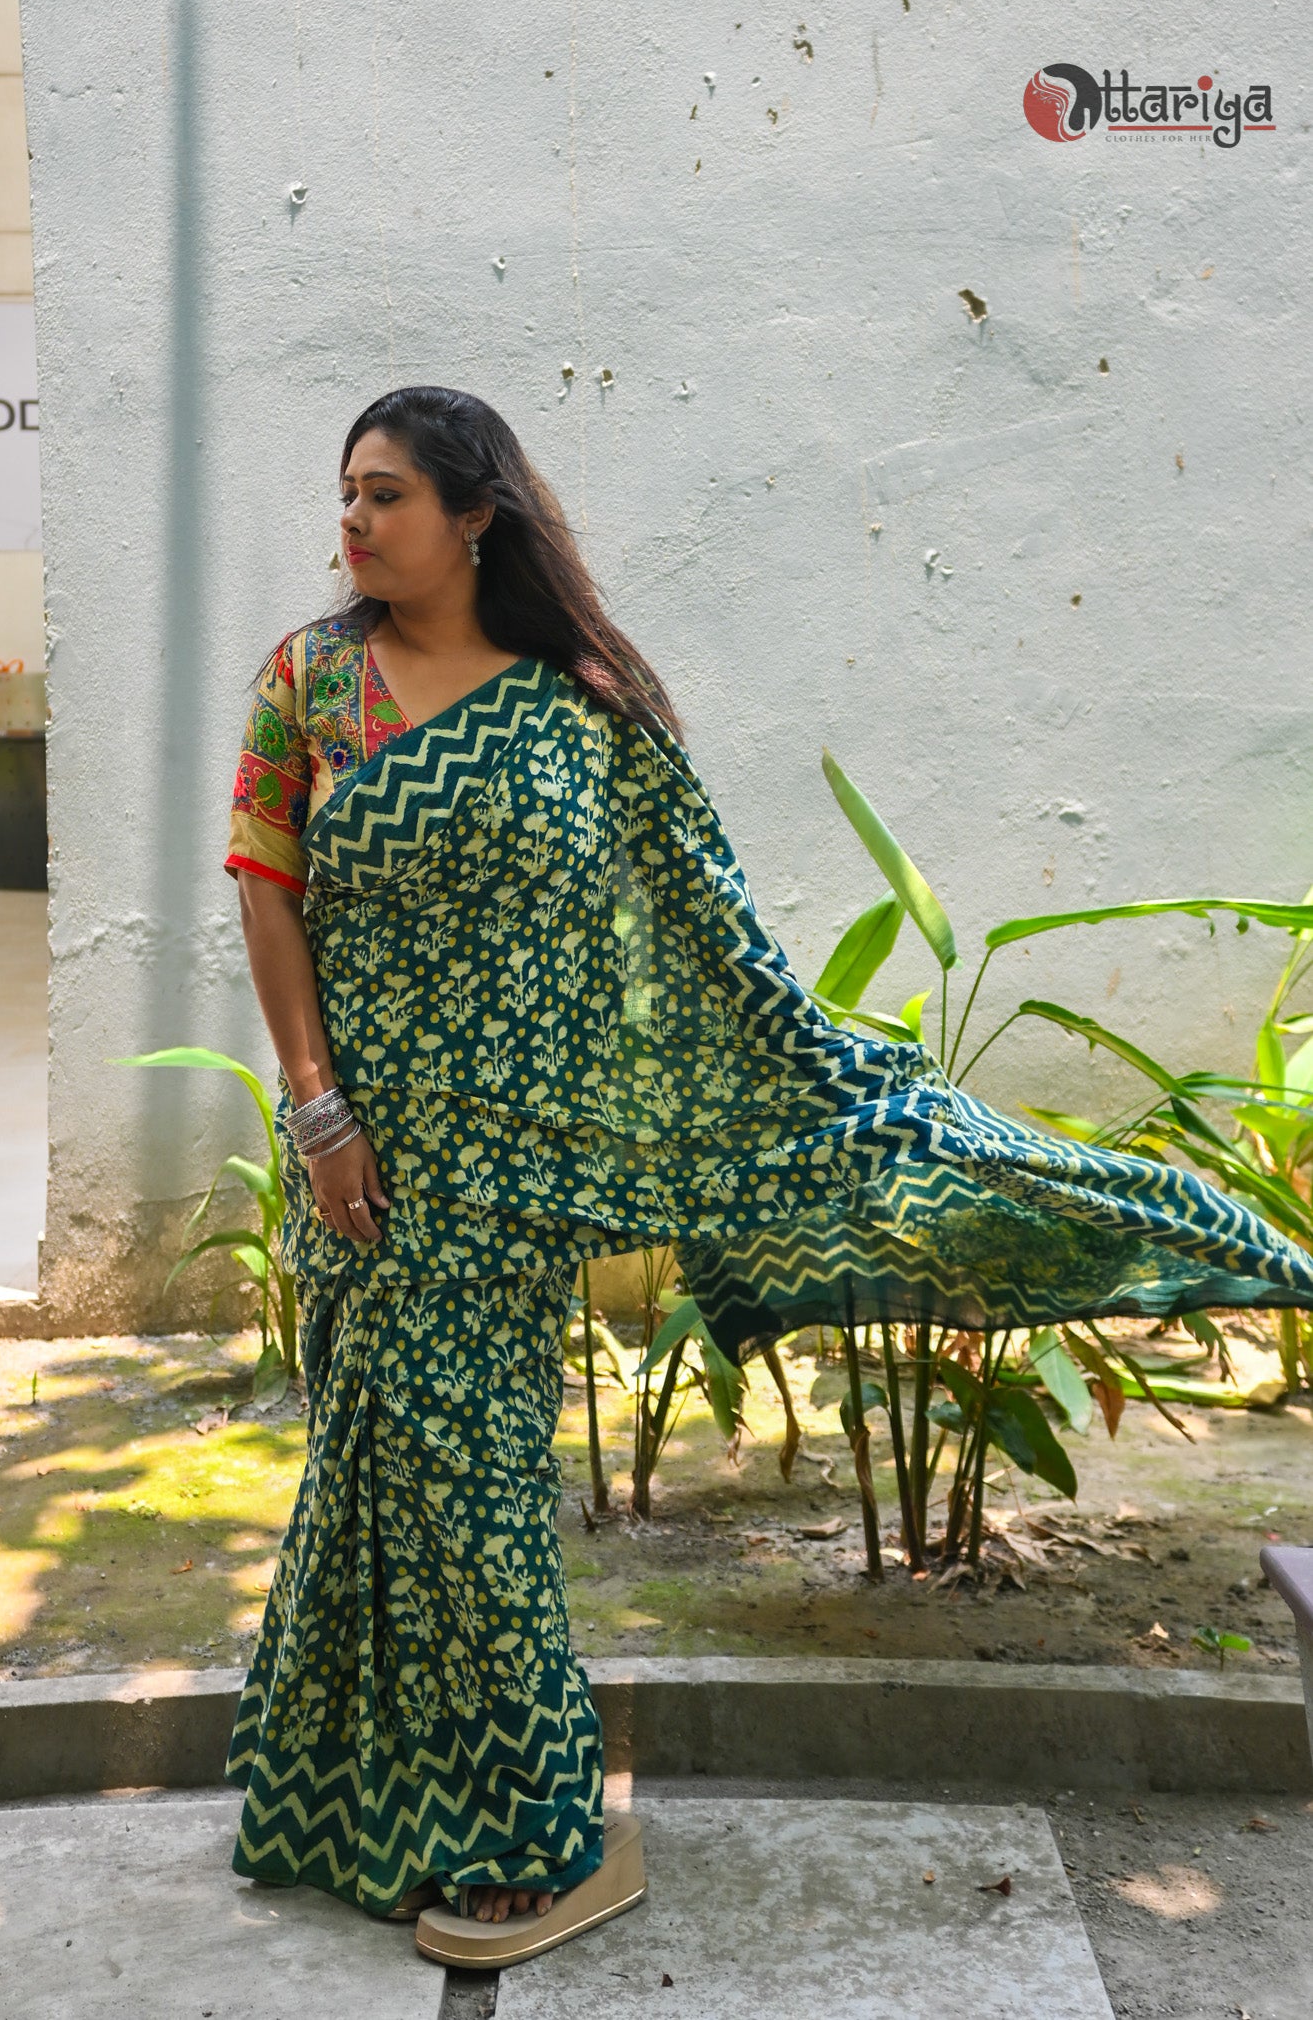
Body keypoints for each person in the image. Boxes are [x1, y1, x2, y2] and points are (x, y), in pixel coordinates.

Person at [222, 384, 1313, 1969]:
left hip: (508, 1170)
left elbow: (703, 940)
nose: (353, 522)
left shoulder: (581, 703)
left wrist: (803, 1088)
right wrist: (319, 1113)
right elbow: (266, 885)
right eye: (346, 495)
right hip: (359, 1168)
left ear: (475, 516)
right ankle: (363, 1803)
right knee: (376, 1483)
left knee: (471, 1502)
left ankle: (542, 1837)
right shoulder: (310, 684)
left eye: (385, 495)